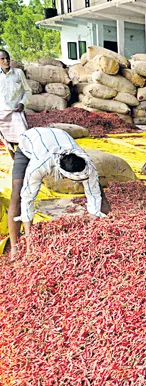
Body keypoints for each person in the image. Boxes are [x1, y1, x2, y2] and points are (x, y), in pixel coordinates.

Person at [7, 127, 111, 260]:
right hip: (30, 142)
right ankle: (15, 247)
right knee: (17, 193)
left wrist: (91, 232)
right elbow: (28, 198)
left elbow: (94, 194)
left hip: (59, 136)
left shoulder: (87, 163)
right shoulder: (40, 164)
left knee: (99, 190)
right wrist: (29, 243)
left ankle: (106, 227)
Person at [0, 49, 31, 155]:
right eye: (2, 59)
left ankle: (23, 158)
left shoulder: (18, 73)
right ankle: (13, 158)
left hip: (16, 111)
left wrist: (22, 103)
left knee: (22, 136)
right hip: (2, 112)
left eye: (7, 58)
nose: (6, 61)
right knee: (6, 139)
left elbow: (28, 90)